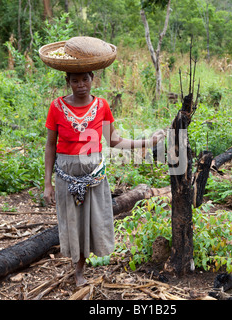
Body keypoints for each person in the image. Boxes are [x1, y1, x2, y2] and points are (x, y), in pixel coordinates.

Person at [43, 71, 164, 286]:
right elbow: (51, 144)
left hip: (93, 173)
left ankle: (81, 266)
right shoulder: (56, 107)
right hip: (66, 173)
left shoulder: (101, 106)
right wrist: (47, 183)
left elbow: (114, 140)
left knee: (91, 220)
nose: (80, 85)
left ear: (92, 79)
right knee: (72, 220)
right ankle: (76, 268)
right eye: (75, 80)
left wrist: (146, 142)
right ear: (67, 82)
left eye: (85, 79)